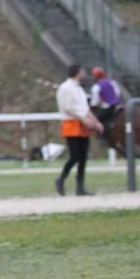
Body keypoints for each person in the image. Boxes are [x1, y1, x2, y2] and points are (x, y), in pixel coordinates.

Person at [54, 63, 103, 196]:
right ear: (77, 72)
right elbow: (67, 107)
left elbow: (85, 108)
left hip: (82, 123)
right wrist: (83, 119)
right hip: (72, 123)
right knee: (75, 156)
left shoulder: (79, 89)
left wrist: (95, 121)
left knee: (83, 157)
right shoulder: (65, 88)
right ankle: (61, 179)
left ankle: (80, 186)